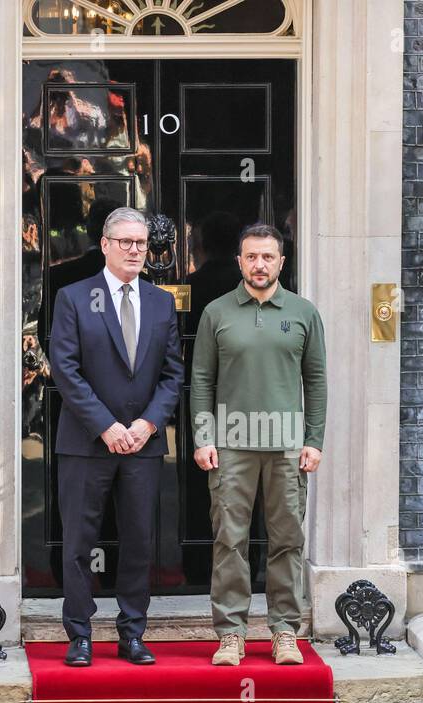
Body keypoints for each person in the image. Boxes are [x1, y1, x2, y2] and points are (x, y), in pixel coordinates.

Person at [49, 207, 183, 667]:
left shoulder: (161, 302)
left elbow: (172, 375)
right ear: (105, 245)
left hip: (143, 446)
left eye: (141, 243)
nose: (133, 250)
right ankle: (80, 634)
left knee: (139, 541)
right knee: (79, 543)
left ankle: (132, 632)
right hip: (87, 443)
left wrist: (147, 424)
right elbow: (65, 371)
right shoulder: (73, 297)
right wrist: (106, 426)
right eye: (124, 242)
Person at [190, 223, 327, 666]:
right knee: (230, 540)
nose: (260, 264)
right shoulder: (217, 312)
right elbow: (202, 380)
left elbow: (316, 380)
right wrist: (202, 436)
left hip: (287, 446)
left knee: (287, 539)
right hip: (231, 446)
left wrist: (314, 440)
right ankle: (231, 633)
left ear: (281, 262)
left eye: (268, 257)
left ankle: (285, 630)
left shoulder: (304, 312)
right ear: (240, 261)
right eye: (252, 256)